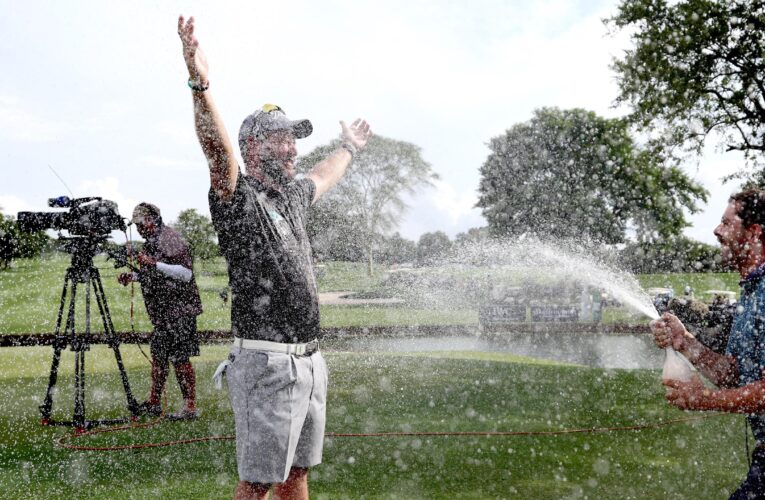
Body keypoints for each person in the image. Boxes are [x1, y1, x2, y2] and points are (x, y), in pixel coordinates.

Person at [177, 15, 372, 500]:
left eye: (293, 138)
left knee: (297, 474)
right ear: (252, 146)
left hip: (309, 359)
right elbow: (216, 151)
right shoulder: (237, 198)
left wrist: (348, 147)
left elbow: (324, 174)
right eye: (280, 138)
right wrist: (200, 84)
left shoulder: (292, 197)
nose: (291, 148)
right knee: (258, 484)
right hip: (266, 362)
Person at [650, 189, 765, 499]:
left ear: (754, 231)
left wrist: (705, 400)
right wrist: (686, 343)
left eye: (726, 223)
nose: (716, 231)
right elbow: (735, 374)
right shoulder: (753, 291)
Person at [118, 202, 203, 420]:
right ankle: (154, 402)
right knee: (159, 358)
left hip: (180, 312)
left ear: (153, 220)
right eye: (135, 225)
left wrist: (153, 264)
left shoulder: (170, 238)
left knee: (180, 359)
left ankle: (190, 407)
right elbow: (155, 276)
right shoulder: (151, 244)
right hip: (163, 315)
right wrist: (134, 277)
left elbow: (185, 274)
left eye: (140, 223)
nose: (137, 228)